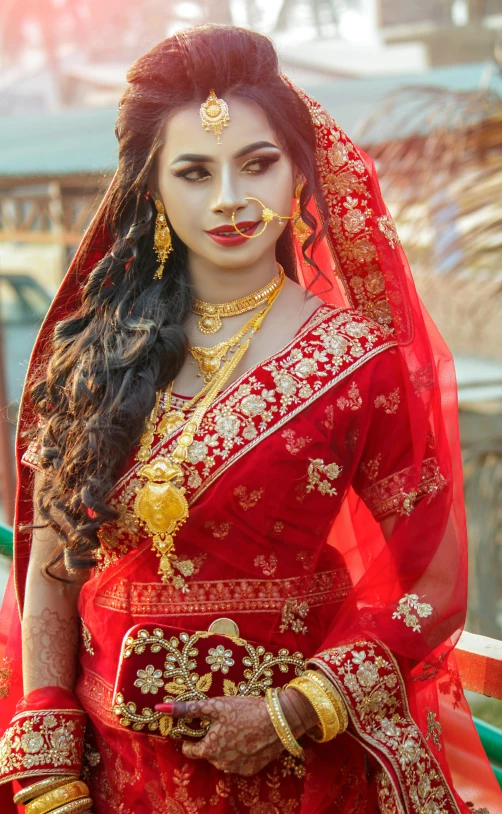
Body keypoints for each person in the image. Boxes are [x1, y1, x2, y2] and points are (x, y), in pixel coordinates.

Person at [0, 23, 500, 814]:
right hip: (107, 772)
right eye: (194, 172)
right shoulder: (98, 348)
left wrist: (290, 712)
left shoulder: (359, 360)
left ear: (298, 172)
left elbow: (429, 573)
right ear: (154, 190)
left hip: (289, 770)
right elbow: (53, 561)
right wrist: (50, 750)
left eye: (257, 164)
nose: (230, 199)